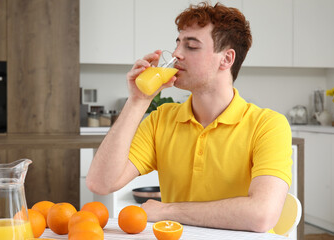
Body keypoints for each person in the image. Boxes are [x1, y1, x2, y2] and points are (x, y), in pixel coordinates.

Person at [86, 2, 292, 233]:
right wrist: (137, 101)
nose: (176, 54)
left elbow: (261, 215)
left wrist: (166, 211)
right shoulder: (160, 120)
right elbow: (100, 183)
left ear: (226, 59)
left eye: (191, 46)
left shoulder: (268, 125)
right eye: (178, 43)